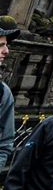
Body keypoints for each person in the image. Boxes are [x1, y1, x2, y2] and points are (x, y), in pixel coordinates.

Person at [0, 27, 20, 169]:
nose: (6, 51)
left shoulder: (3, 92)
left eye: (6, 45)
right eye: (1, 45)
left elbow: (5, 143)